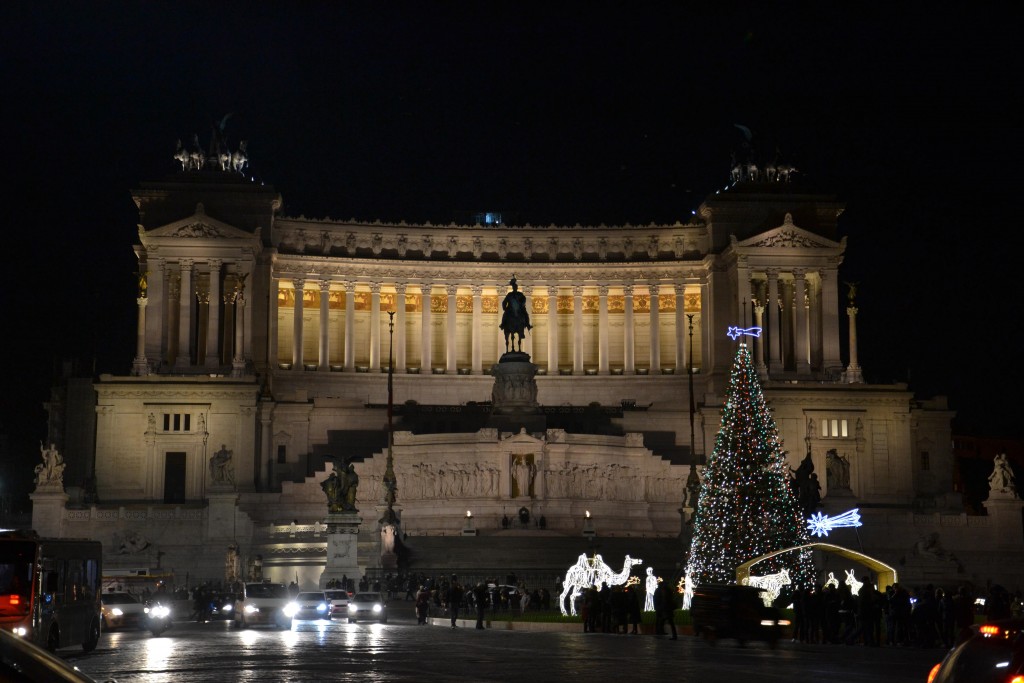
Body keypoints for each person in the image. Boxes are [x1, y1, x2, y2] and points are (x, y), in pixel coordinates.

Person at [499, 276, 531, 353]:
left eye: (516, 287)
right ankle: (503, 324)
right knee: (505, 315)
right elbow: (504, 302)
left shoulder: (520, 294)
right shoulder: (509, 295)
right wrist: (504, 308)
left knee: (526, 314)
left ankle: (527, 324)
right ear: (513, 288)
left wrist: (522, 304)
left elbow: (524, 299)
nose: (515, 288)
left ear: (517, 288)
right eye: (514, 287)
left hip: (519, 308)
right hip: (510, 309)